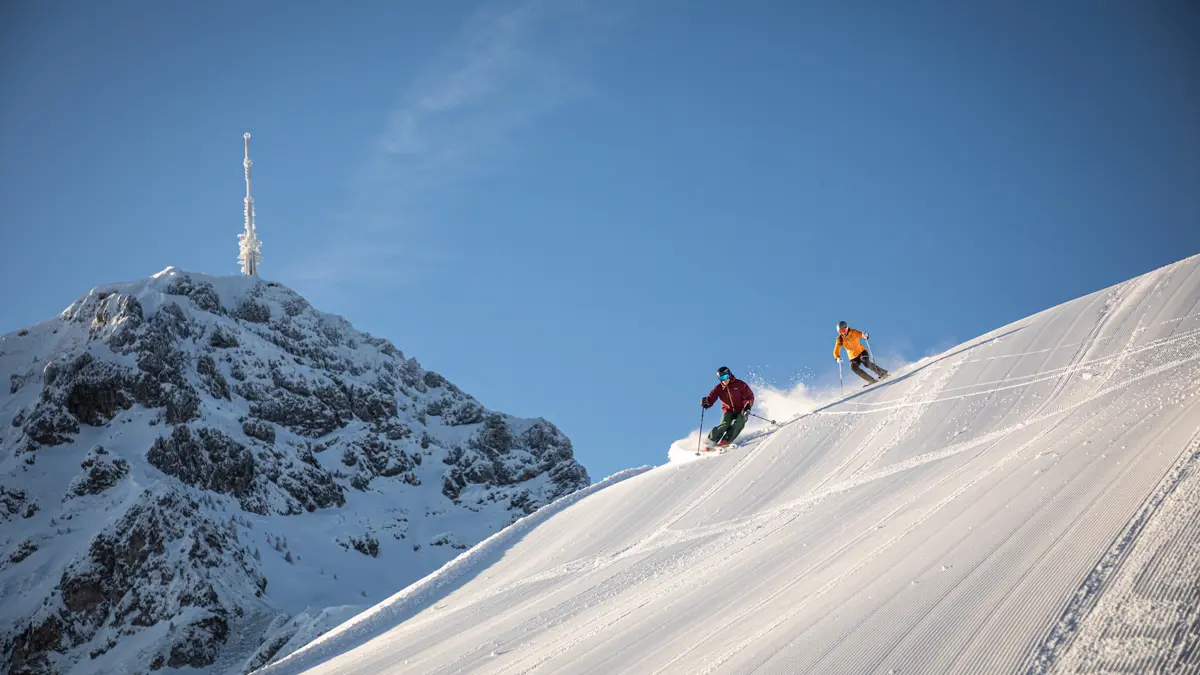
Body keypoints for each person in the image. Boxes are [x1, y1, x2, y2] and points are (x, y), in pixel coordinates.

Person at [700, 366, 755, 447]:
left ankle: (725, 441)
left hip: (742, 410)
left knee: (739, 422)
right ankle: (710, 441)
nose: (724, 380)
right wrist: (706, 402)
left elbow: (750, 397)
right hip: (728, 411)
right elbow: (711, 399)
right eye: (721, 378)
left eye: (726, 377)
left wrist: (747, 406)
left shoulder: (740, 384)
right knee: (724, 424)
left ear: (729, 375)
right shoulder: (718, 388)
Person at [834, 320, 889, 385]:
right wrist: (837, 357)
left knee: (866, 362)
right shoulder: (839, 340)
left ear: (847, 327)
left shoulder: (854, 332)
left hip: (861, 352)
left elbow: (861, 334)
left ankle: (882, 373)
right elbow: (836, 351)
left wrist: (865, 335)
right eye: (841, 331)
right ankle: (871, 380)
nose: (843, 332)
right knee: (853, 367)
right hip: (853, 357)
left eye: (844, 330)